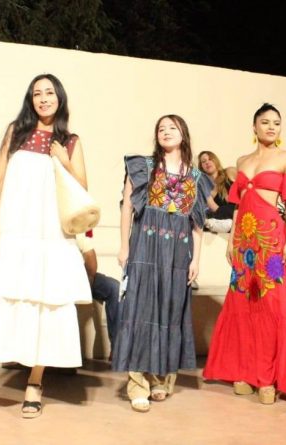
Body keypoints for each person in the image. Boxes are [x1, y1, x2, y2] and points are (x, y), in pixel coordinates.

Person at [0, 74, 92, 425]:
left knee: (45, 307)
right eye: (37, 93)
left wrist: (64, 160)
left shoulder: (70, 141)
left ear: (60, 98)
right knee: (0, 306)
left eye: (49, 92)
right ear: (30, 99)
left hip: (51, 237)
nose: (44, 98)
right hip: (15, 233)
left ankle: (34, 384)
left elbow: (82, 188)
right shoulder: (15, 131)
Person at [204, 104, 286, 404]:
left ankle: (269, 377)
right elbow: (237, 206)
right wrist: (231, 241)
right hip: (245, 242)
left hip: (272, 240)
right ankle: (244, 371)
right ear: (254, 127)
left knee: (275, 302)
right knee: (242, 304)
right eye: (265, 122)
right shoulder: (242, 161)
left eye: (276, 122)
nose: (271, 127)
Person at [113, 114, 213, 413]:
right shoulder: (143, 166)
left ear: (184, 134)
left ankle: (159, 378)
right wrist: (124, 246)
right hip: (145, 246)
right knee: (140, 311)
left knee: (169, 311)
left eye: (172, 127)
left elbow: (197, 223)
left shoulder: (196, 178)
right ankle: (137, 384)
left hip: (178, 252)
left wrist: (196, 259)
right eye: (161, 128)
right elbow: (127, 208)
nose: (166, 132)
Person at [76, 233, 120, 347]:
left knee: (114, 287)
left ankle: (116, 346)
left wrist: (86, 283)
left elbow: (91, 261)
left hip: (81, 277)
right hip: (56, 279)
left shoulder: (76, 232)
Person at [198, 150, 237, 233]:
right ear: (202, 168)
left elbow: (248, 185)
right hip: (227, 217)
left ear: (215, 161)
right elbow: (216, 209)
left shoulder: (229, 172)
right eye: (204, 161)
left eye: (210, 159)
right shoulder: (206, 188)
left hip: (243, 209)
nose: (207, 162)